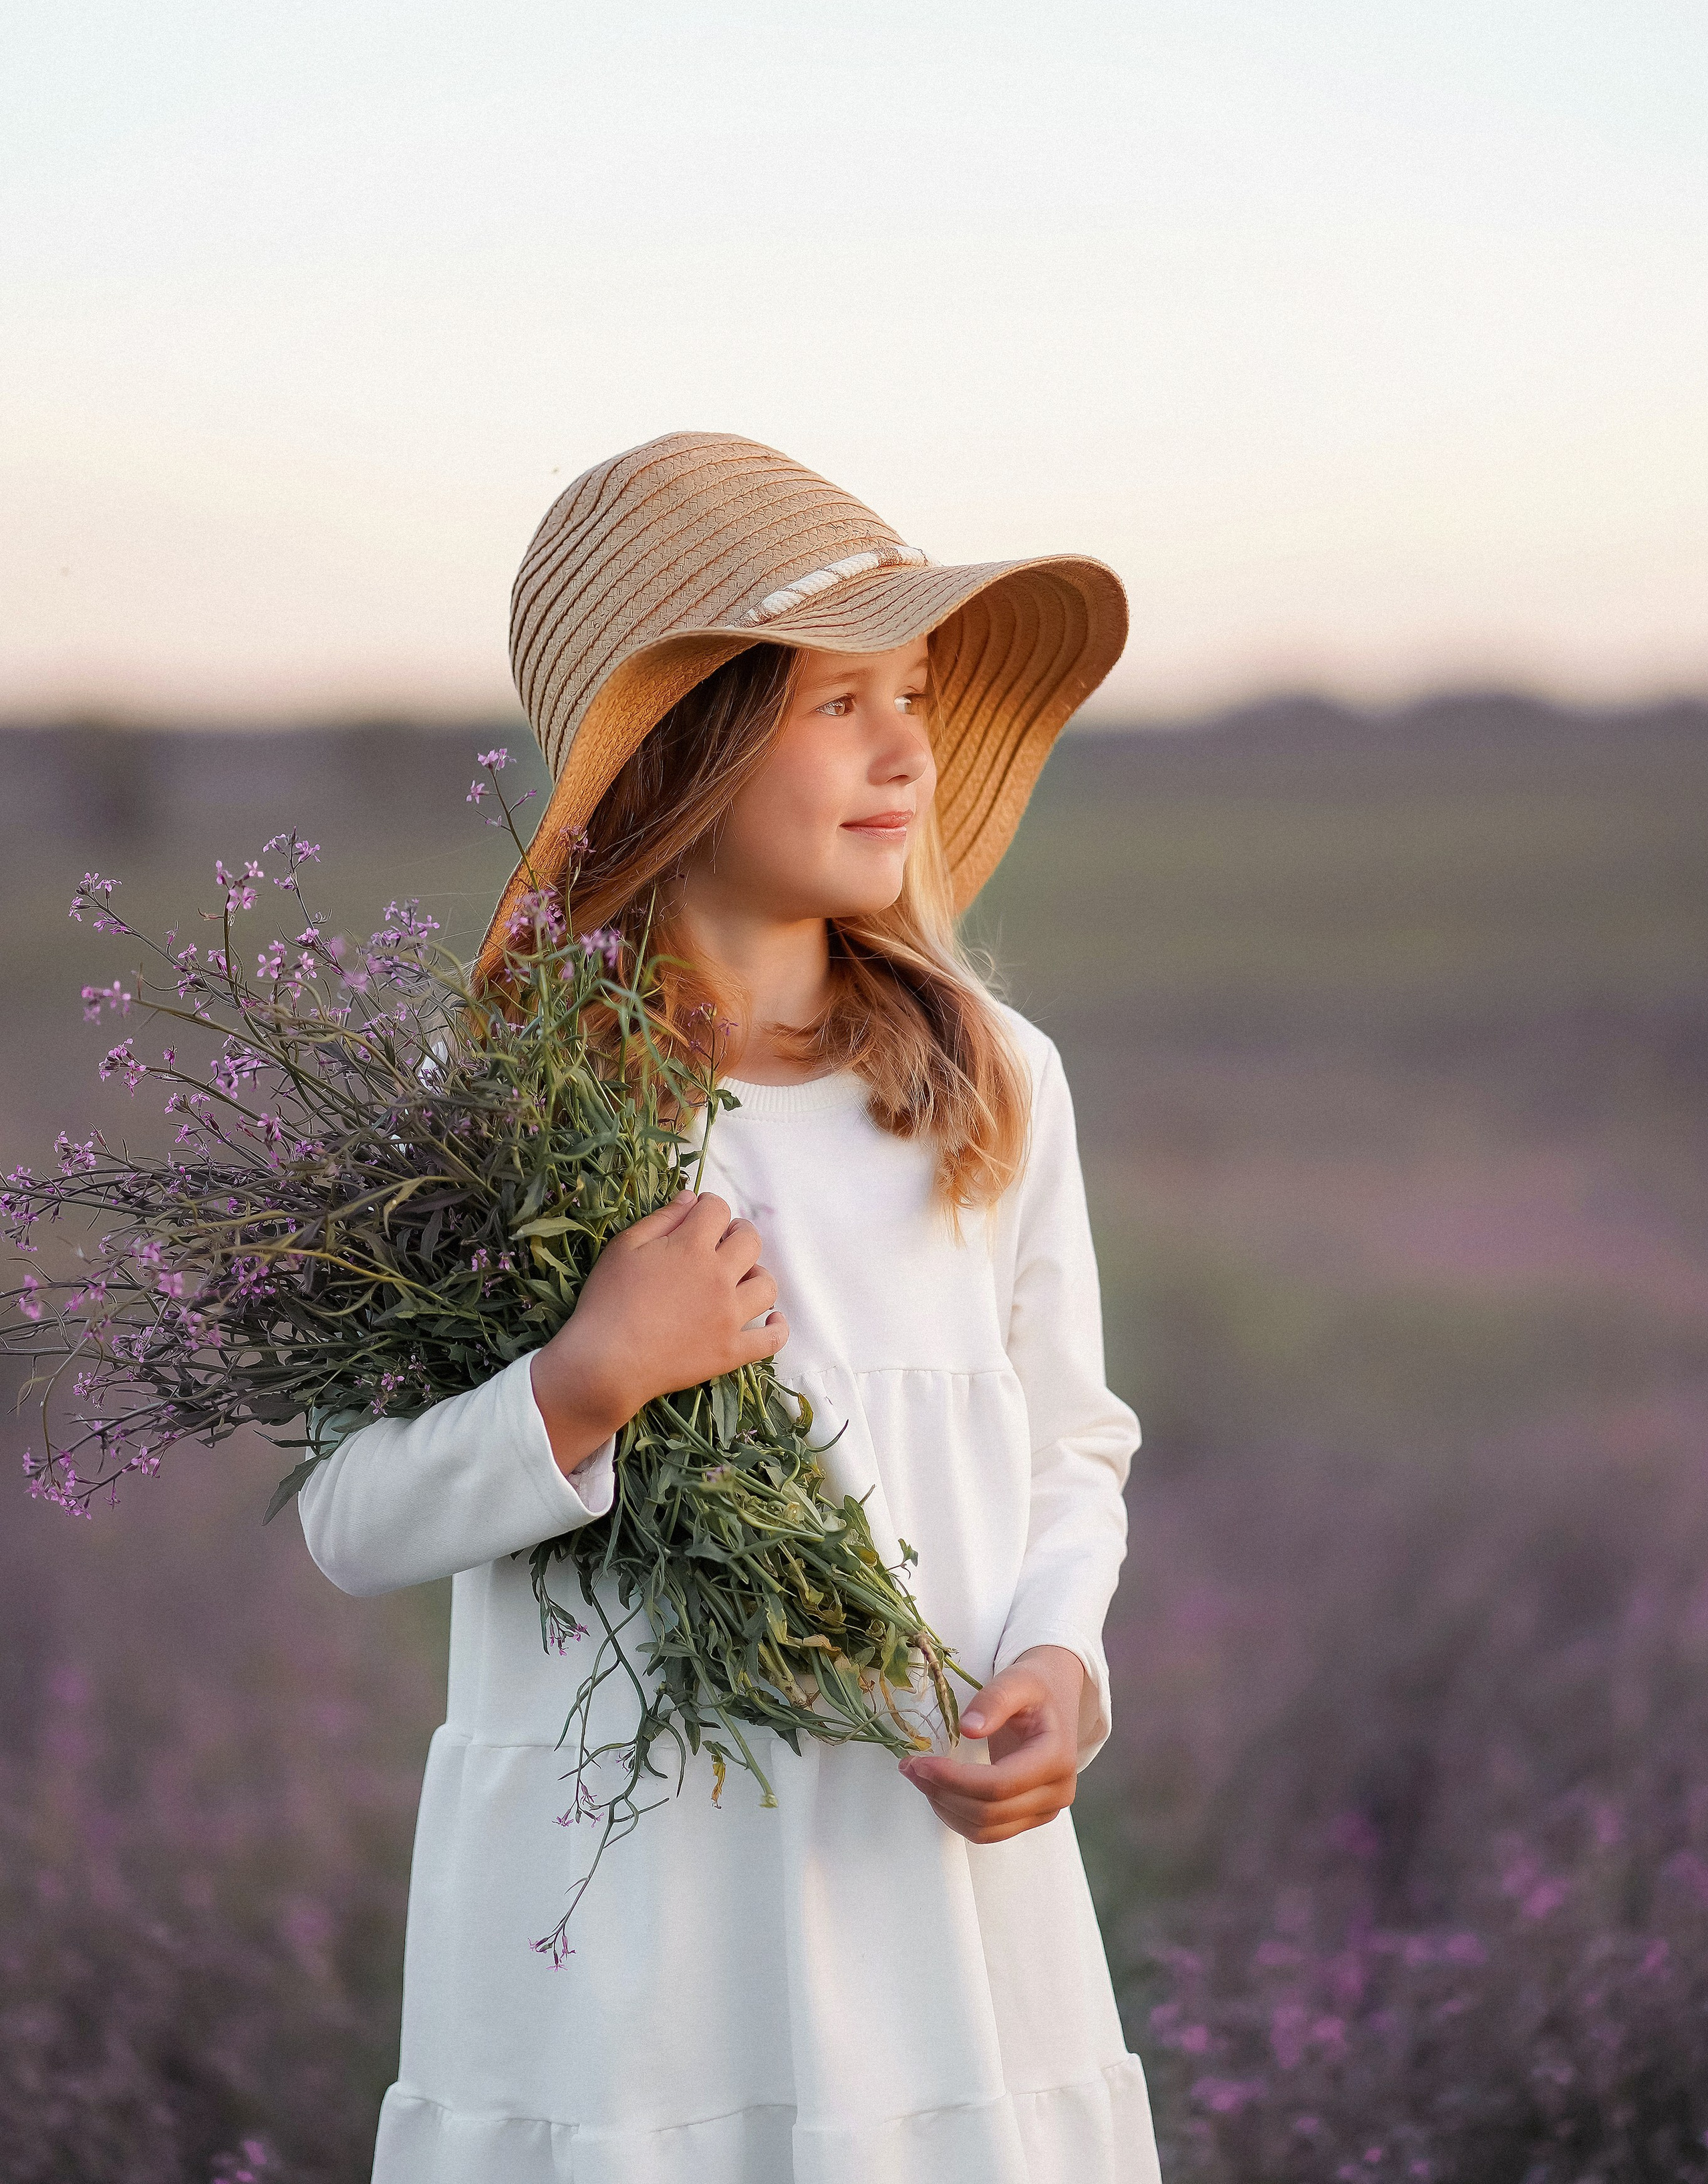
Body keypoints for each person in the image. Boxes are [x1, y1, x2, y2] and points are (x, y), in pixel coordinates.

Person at [299, 432, 1161, 2182]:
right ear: (683, 742)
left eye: (912, 690)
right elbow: (349, 1509)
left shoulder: (993, 1077)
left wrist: (1064, 1662)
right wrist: (582, 1381)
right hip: (624, 1925)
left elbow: (1071, 1439)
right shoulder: (500, 1097)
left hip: (922, 1880)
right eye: (841, 700)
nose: (909, 745)